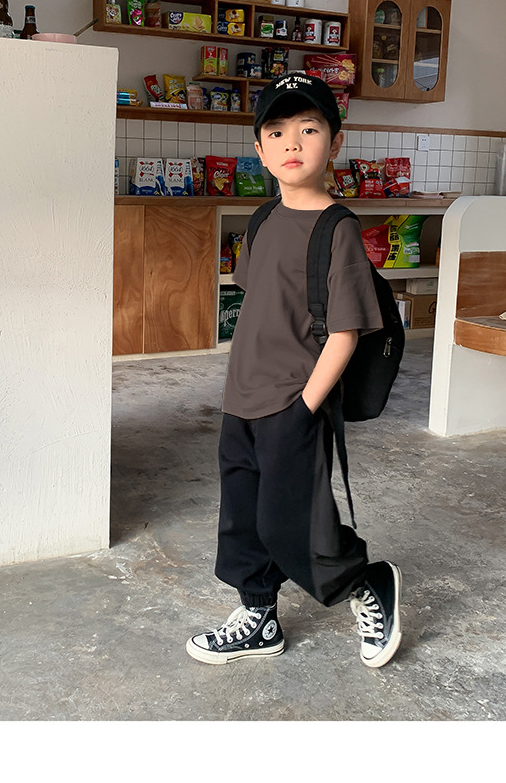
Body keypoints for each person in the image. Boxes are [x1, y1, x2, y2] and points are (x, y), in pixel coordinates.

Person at [186, 72, 402, 669]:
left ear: (335, 142)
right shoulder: (260, 221)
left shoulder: (338, 229)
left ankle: (365, 582)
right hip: (241, 396)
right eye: (277, 131)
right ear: (259, 150)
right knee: (242, 516)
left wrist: (305, 406)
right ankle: (258, 616)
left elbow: (345, 332)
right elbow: (258, 301)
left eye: (309, 129)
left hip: (293, 400)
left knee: (292, 522)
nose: (292, 143)